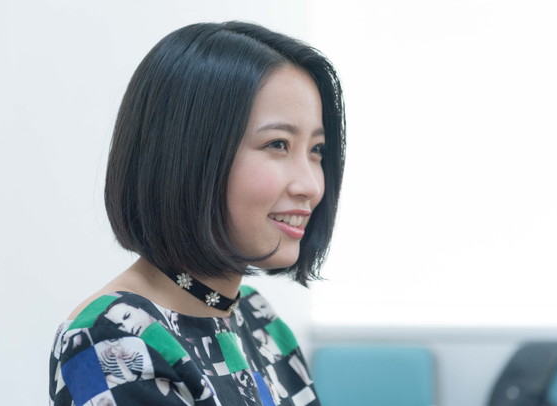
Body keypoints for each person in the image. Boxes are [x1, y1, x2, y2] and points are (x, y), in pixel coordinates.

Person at [49, 21, 345, 406]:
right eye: (278, 144)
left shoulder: (257, 317)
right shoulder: (113, 339)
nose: (311, 186)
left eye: (317, 150)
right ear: (189, 155)